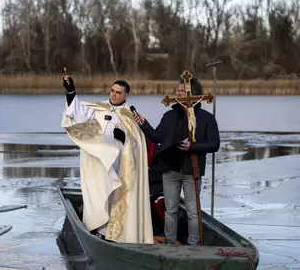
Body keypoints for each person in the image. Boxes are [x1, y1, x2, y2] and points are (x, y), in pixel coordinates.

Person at [61, 71, 154, 244]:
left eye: (118, 92)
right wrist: (71, 91)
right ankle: (99, 230)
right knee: (99, 195)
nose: (114, 94)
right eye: (112, 90)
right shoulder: (96, 109)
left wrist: (126, 138)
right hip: (98, 165)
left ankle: (120, 234)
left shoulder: (131, 116)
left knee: (118, 197)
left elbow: (141, 145)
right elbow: (76, 114)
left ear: (126, 95)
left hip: (121, 166)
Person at [134, 76, 220, 245]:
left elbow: (214, 144)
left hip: (191, 170)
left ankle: (194, 245)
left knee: (193, 211)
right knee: (170, 210)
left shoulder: (206, 118)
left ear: (193, 93)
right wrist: (144, 124)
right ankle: (169, 243)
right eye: (178, 91)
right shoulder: (170, 116)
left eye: (182, 91)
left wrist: (191, 147)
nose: (179, 94)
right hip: (170, 169)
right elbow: (157, 136)